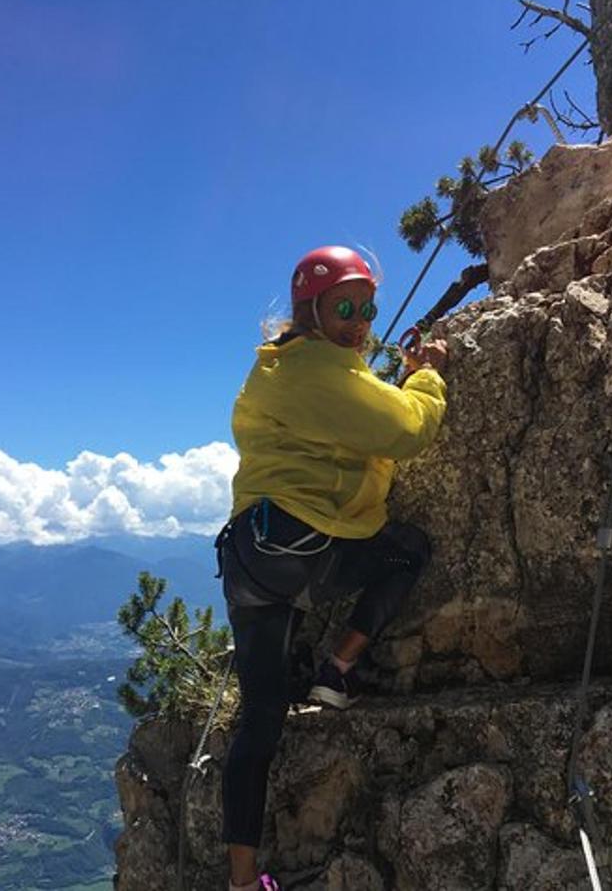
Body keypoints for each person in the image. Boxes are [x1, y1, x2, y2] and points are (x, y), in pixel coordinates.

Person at [214, 245, 449, 891]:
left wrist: (378, 375)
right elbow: (406, 431)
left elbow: (352, 401)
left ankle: (241, 881)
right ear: (309, 309)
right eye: (345, 306)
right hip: (311, 551)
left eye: (367, 308)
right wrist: (425, 375)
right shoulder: (318, 371)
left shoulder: (286, 368)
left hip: (250, 562)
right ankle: (337, 668)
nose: (359, 321)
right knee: (407, 550)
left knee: (258, 720)